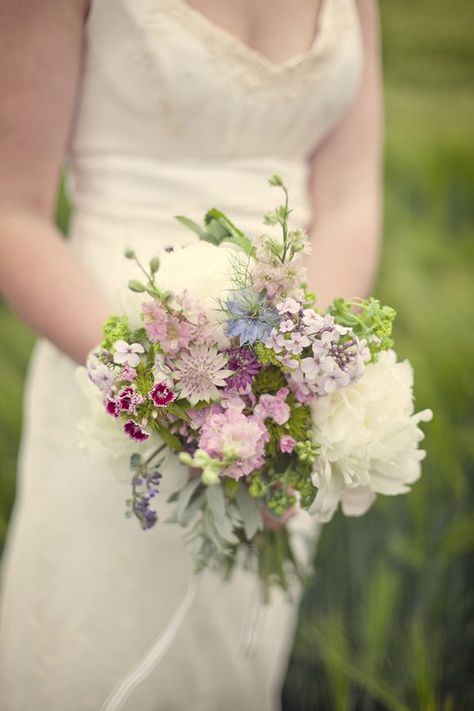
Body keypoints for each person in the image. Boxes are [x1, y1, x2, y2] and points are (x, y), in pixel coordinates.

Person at [0, 0, 383, 709]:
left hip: (281, 401)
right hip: (113, 368)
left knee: (229, 665)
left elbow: (352, 198)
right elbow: (11, 209)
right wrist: (166, 390)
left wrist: (299, 381)